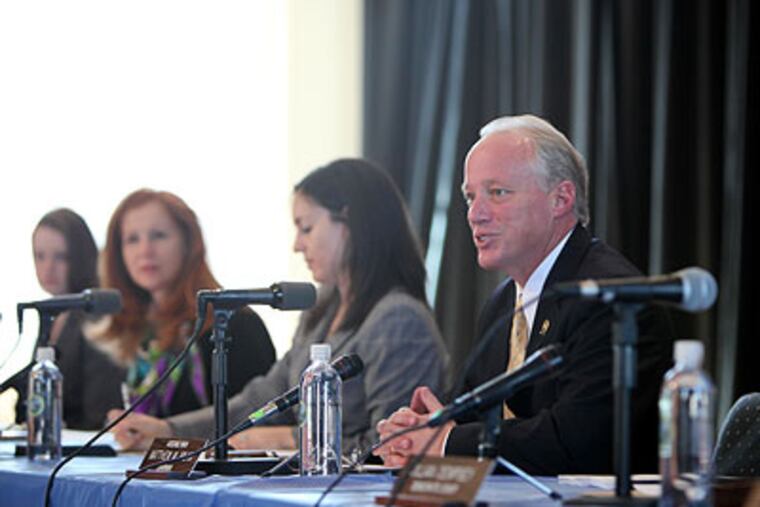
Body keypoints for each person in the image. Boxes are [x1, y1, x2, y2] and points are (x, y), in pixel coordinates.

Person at [374, 115, 672, 475]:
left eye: (498, 193)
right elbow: (465, 411)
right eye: (470, 196)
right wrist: (414, 433)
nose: (475, 214)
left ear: (560, 198)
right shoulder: (503, 303)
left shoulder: (611, 300)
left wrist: (445, 442)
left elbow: (578, 442)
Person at [109, 159, 448, 455]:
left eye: (307, 228)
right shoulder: (321, 311)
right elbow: (264, 397)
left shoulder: (398, 318)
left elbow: (393, 443)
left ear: (350, 223)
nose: (297, 245)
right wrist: (169, 430)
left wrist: (288, 438)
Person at [91, 189, 276, 419]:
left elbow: (257, 419)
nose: (145, 250)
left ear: (189, 243)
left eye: (158, 235)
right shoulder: (129, 332)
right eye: (132, 239)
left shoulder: (234, 323)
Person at [5, 208, 123, 430]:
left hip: (81, 454)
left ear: (82, 256)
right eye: (40, 256)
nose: (48, 267)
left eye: (61, 256)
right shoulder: (49, 318)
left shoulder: (96, 317)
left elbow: (100, 413)